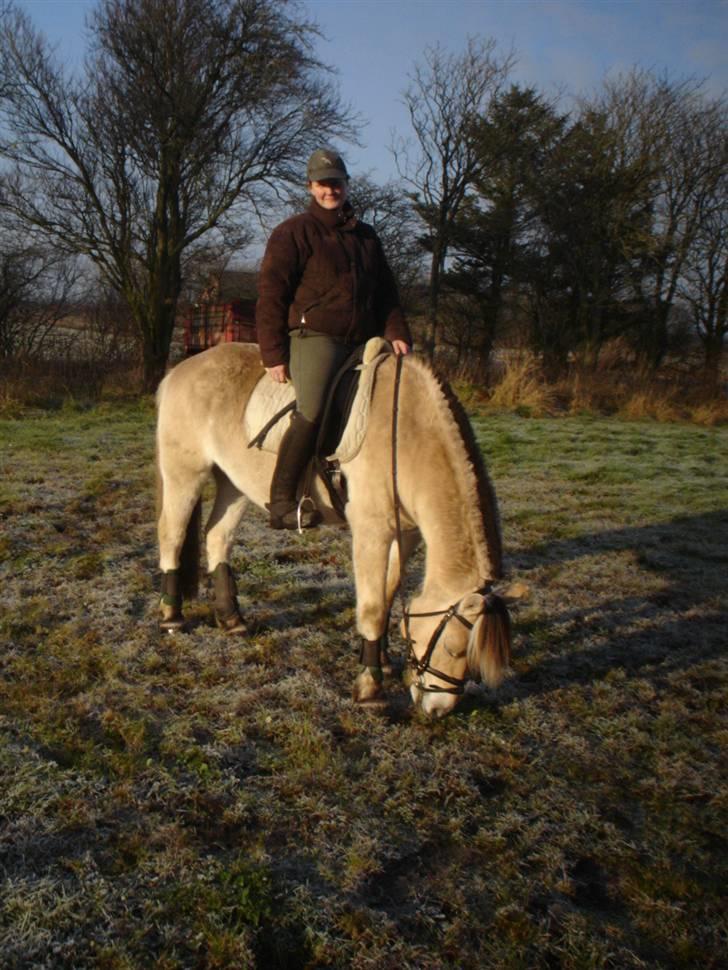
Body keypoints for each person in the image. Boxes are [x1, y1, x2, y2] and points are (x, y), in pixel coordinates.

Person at [256, 149, 412, 530]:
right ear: (311, 187)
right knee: (312, 409)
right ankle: (281, 501)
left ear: (346, 185)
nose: (331, 190)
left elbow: (386, 294)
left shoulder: (367, 237)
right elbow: (272, 293)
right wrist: (273, 353)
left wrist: (397, 333)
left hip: (364, 337)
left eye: (337, 182)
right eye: (323, 184)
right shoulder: (294, 232)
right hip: (316, 337)